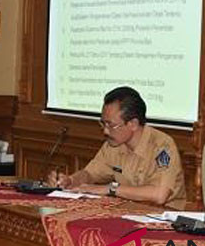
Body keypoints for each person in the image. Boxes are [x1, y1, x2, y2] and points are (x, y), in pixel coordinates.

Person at [48, 86, 186, 208]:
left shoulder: (162, 146)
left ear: (133, 124)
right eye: (103, 124)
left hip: (162, 217)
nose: (105, 131)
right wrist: (70, 180)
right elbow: (90, 174)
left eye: (111, 125)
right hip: (127, 212)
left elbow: (160, 195)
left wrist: (111, 189)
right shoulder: (113, 145)